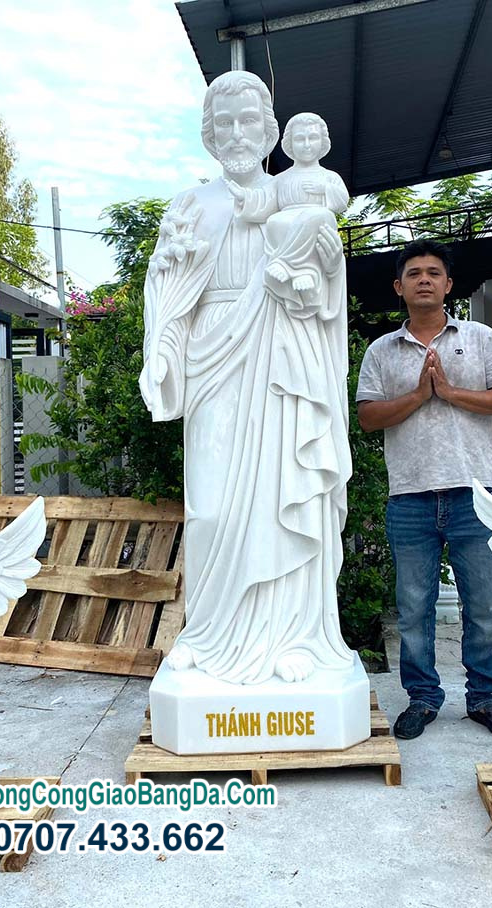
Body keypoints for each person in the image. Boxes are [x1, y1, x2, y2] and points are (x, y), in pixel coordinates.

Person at [140, 72, 353, 685]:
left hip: (284, 357)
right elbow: (167, 293)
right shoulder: (190, 205)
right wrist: (162, 352)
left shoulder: (294, 196)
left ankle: (295, 638)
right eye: (224, 122)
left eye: (248, 121)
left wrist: (321, 275)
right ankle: (207, 635)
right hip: (213, 357)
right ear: (210, 134)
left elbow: (325, 290)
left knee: (286, 495)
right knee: (210, 508)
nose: (236, 133)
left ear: (268, 131)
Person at [356, 238, 492, 739]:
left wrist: (449, 392)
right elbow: (368, 417)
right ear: (399, 286)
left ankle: (483, 698)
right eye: (414, 273)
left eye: (433, 272)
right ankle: (423, 698)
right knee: (413, 609)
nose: (424, 279)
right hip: (409, 496)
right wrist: (418, 395)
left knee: (485, 605)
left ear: (449, 285)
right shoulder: (382, 350)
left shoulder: (480, 337)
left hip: (476, 495)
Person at [226, 111, 349, 300]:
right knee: (274, 221)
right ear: (290, 143)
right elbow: (264, 200)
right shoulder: (281, 178)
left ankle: (300, 269)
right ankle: (291, 269)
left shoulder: (329, 176)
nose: (306, 144)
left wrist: (324, 189)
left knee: (318, 216)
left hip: (319, 222)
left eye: (312, 138)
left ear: (322, 141)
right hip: (285, 221)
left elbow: (342, 200)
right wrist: (245, 197)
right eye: (300, 139)